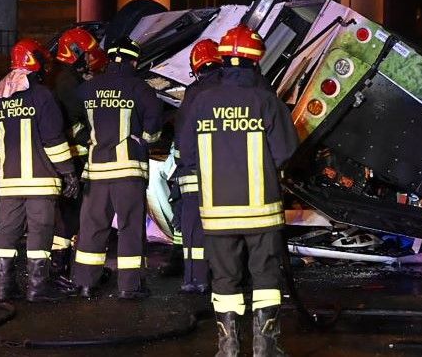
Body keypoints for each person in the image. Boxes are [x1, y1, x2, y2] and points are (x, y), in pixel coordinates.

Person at [177, 25, 298, 357]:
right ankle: (265, 347)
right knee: (265, 276)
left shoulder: (201, 102)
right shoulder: (265, 100)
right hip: (261, 210)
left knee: (224, 278)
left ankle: (228, 347)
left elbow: (186, 152)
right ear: (255, 62)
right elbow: (285, 150)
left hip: (217, 212)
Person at [0, 39, 80, 303]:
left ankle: (4, 287)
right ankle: (37, 289)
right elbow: (54, 140)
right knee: (40, 231)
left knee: (7, 232)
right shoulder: (43, 96)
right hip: (40, 182)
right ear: (36, 63)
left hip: (9, 184)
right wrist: (68, 172)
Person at [70, 37, 162, 300]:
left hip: (96, 172)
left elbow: (71, 120)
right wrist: (143, 140)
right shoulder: (141, 89)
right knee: (130, 227)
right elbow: (153, 129)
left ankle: (86, 283)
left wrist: (87, 139)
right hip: (128, 173)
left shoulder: (88, 88)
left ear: (109, 59)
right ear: (134, 61)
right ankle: (129, 286)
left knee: (92, 227)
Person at [47, 27, 107, 288]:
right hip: (73, 158)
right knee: (72, 216)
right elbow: (81, 115)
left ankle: (64, 268)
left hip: (67, 158)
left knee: (70, 216)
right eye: (87, 54)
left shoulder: (63, 77)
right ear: (75, 53)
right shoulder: (68, 82)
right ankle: (61, 269)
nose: (90, 59)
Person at [169, 39, 222, 294]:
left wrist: (183, 163)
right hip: (228, 172)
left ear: (196, 66)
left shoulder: (195, 93)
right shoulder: (234, 89)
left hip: (195, 171)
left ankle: (195, 278)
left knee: (193, 227)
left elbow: (183, 133)